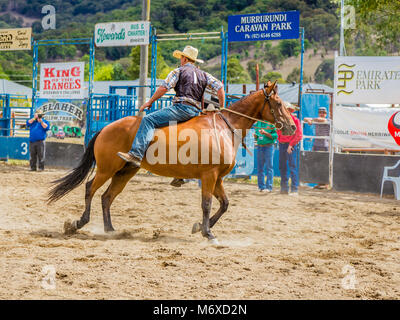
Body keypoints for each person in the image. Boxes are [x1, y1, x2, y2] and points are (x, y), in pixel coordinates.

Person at [117, 45, 225, 169]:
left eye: (181, 57)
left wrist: (149, 102)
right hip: (196, 113)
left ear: (184, 58)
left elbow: (164, 88)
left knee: (148, 120)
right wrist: (221, 107)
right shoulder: (204, 75)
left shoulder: (178, 71)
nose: (180, 60)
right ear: (193, 60)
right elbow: (220, 88)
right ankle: (181, 175)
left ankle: (136, 154)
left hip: (181, 109)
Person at [277, 103, 302, 195]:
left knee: (292, 167)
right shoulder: (281, 121)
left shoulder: (295, 120)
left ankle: (294, 189)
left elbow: (299, 135)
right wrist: (280, 140)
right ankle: (284, 189)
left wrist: (291, 145)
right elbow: (278, 132)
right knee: (282, 166)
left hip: (290, 145)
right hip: (282, 144)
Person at [304, 106, 330, 189]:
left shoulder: (327, 120)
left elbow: (322, 120)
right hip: (316, 144)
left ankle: (325, 184)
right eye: (320, 112)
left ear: (326, 114)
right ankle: (320, 183)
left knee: (324, 164)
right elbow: (304, 118)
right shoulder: (317, 119)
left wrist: (311, 120)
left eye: (323, 113)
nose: (322, 114)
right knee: (317, 164)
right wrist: (308, 120)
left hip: (324, 145)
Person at [254, 121, 278, 192]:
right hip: (259, 146)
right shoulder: (258, 123)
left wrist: (265, 133)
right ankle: (261, 187)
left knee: (269, 167)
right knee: (260, 168)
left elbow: (275, 136)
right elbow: (257, 136)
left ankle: (269, 187)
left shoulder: (271, 123)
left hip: (269, 146)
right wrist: (256, 136)